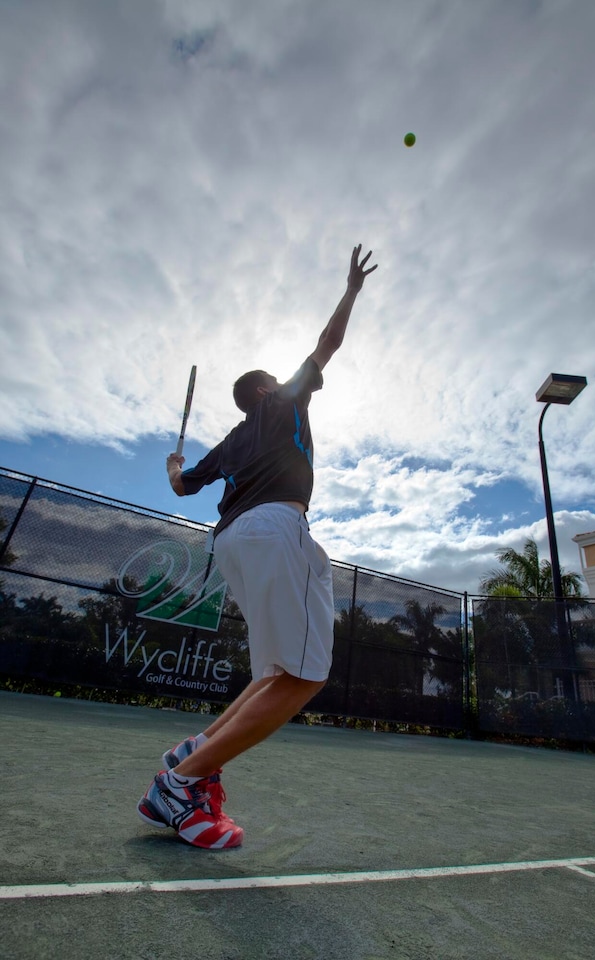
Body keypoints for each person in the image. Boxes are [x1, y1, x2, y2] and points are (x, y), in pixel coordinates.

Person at [137, 245, 377, 849]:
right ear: (267, 389)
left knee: (277, 669)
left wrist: (173, 464)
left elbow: (181, 486)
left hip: (234, 540)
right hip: (273, 528)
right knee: (302, 676)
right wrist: (350, 290)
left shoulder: (232, 438)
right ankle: (182, 785)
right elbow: (329, 343)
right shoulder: (285, 400)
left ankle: (194, 751)